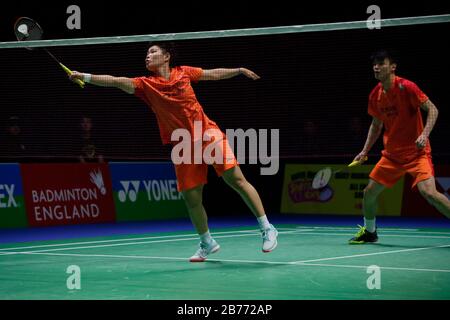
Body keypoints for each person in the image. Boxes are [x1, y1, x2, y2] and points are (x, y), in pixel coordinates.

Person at [70, 42, 278, 261]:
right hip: (182, 145)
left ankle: (267, 228)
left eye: (153, 52)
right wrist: (84, 76)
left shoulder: (184, 73)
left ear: (166, 56)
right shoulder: (145, 85)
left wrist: (238, 70)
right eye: (147, 53)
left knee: (236, 180)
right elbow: (115, 81)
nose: (147, 56)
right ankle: (207, 242)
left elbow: (212, 74)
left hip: (207, 133)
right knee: (191, 198)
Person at [349, 49, 450, 244]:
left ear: (393, 66)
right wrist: (364, 151)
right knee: (369, 193)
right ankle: (370, 232)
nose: (376, 67)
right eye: (374, 64)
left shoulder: (407, 87)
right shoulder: (375, 95)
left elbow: (433, 109)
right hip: (392, 156)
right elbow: (376, 125)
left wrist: (424, 134)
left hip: (416, 153)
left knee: (429, 193)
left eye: (381, 63)